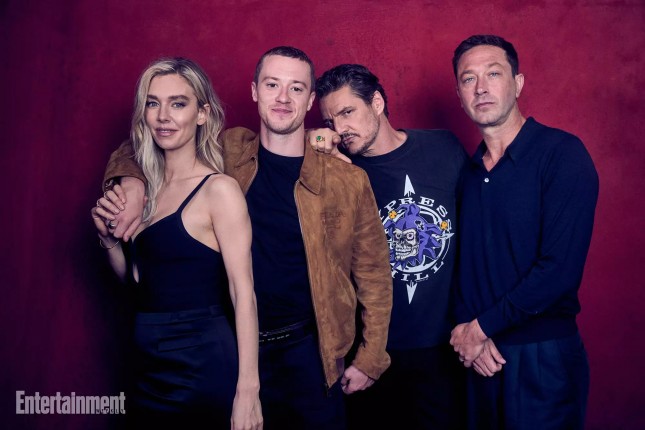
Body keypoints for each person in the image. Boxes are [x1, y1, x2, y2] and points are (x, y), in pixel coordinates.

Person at [100, 47, 393, 430]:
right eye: (272, 85)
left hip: (310, 353)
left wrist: (370, 357)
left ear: (309, 101)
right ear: (255, 91)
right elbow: (150, 139)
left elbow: (374, 272)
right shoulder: (227, 151)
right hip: (232, 350)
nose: (283, 98)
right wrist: (132, 183)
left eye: (295, 88)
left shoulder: (346, 179)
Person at [91, 57, 262, 429]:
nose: (163, 116)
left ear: (202, 114)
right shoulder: (144, 191)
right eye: (153, 103)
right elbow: (136, 282)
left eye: (178, 103)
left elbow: (243, 293)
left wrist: (248, 391)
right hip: (145, 361)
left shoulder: (219, 190)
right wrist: (107, 239)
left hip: (201, 363)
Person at [449, 34, 598, 430]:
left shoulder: (562, 154)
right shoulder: (468, 172)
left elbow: (559, 270)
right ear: (460, 95)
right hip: (480, 358)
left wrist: (480, 329)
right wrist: (468, 332)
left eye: (493, 74)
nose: (481, 87)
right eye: (468, 79)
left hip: (542, 358)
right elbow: (462, 264)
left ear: (517, 84)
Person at [310, 64, 468, 429]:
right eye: (330, 121)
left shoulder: (443, 148)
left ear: (377, 103)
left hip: (443, 349)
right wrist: (314, 140)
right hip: (371, 354)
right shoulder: (338, 170)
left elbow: (478, 232)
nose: (340, 128)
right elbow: (281, 149)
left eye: (347, 112)